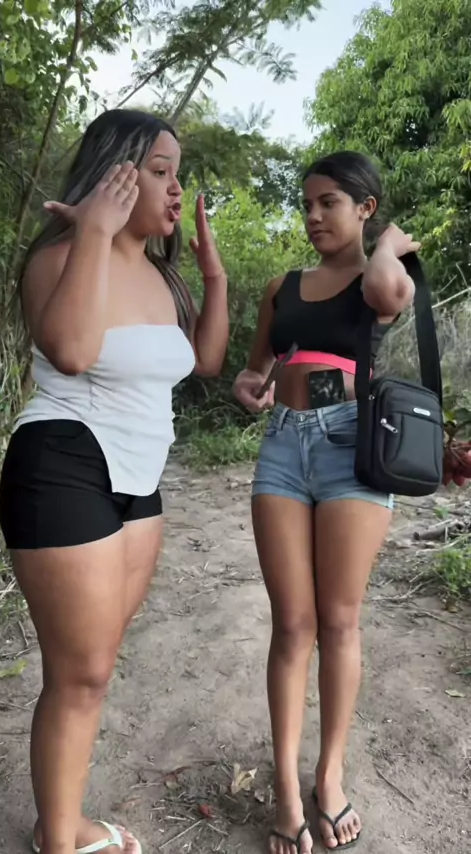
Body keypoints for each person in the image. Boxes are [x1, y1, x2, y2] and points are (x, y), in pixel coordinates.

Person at [0, 109, 228, 854]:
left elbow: (204, 363)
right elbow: (69, 349)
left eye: (177, 173)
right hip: (65, 462)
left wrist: (214, 275)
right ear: (113, 178)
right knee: (82, 671)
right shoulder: (64, 255)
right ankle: (62, 838)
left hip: (140, 484)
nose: (175, 188)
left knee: (89, 673)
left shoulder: (161, 277)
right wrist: (96, 231)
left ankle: (58, 824)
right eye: (160, 171)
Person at [233, 151, 419, 853]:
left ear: (364, 208)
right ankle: (287, 789)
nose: (312, 216)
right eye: (306, 204)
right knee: (292, 625)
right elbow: (255, 369)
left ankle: (329, 776)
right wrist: (249, 387)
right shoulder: (281, 287)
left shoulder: (378, 280)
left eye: (329, 203)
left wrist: (389, 242)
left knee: (339, 621)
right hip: (284, 445)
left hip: (351, 446)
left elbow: (388, 291)